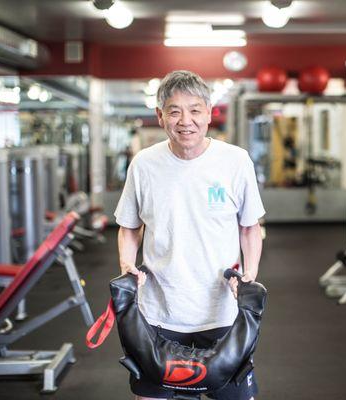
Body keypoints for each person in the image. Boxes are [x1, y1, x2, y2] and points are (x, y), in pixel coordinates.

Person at [114, 70, 265, 400]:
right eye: (174, 110)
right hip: (159, 311)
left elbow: (250, 226)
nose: (186, 121)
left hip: (222, 312)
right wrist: (128, 265)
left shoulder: (235, 161)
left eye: (195, 110)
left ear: (210, 113)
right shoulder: (144, 164)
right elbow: (128, 226)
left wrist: (250, 275)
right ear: (160, 116)